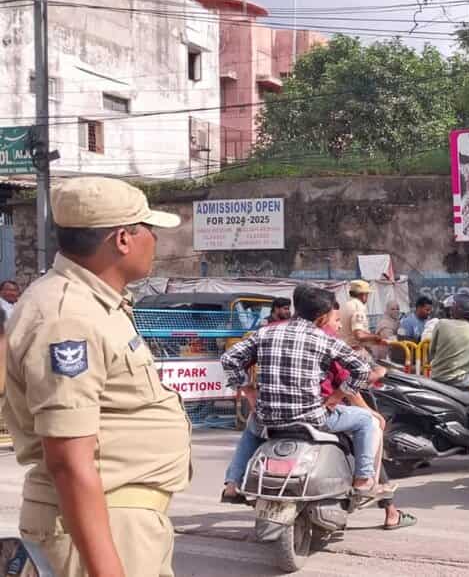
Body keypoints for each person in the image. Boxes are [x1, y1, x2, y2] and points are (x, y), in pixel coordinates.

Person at [3, 176, 190, 577]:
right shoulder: (67, 316)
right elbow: (69, 461)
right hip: (102, 521)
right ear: (122, 239)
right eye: (148, 229)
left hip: (123, 518)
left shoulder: (94, 303)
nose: (155, 239)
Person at [222, 286, 384, 496]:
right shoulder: (324, 339)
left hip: (267, 418)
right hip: (312, 418)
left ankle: (233, 483)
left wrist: (249, 391)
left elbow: (229, 358)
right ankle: (363, 479)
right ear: (322, 317)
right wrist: (336, 397)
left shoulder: (265, 332)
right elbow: (361, 370)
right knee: (366, 420)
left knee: (252, 426)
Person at [341, 280, 384, 357]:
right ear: (363, 295)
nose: (367, 297)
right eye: (367, 294)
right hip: (355, 351)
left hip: (344, 350)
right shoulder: (358, 307)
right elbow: (359, 335)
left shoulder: (345, 305)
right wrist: (376, 337)